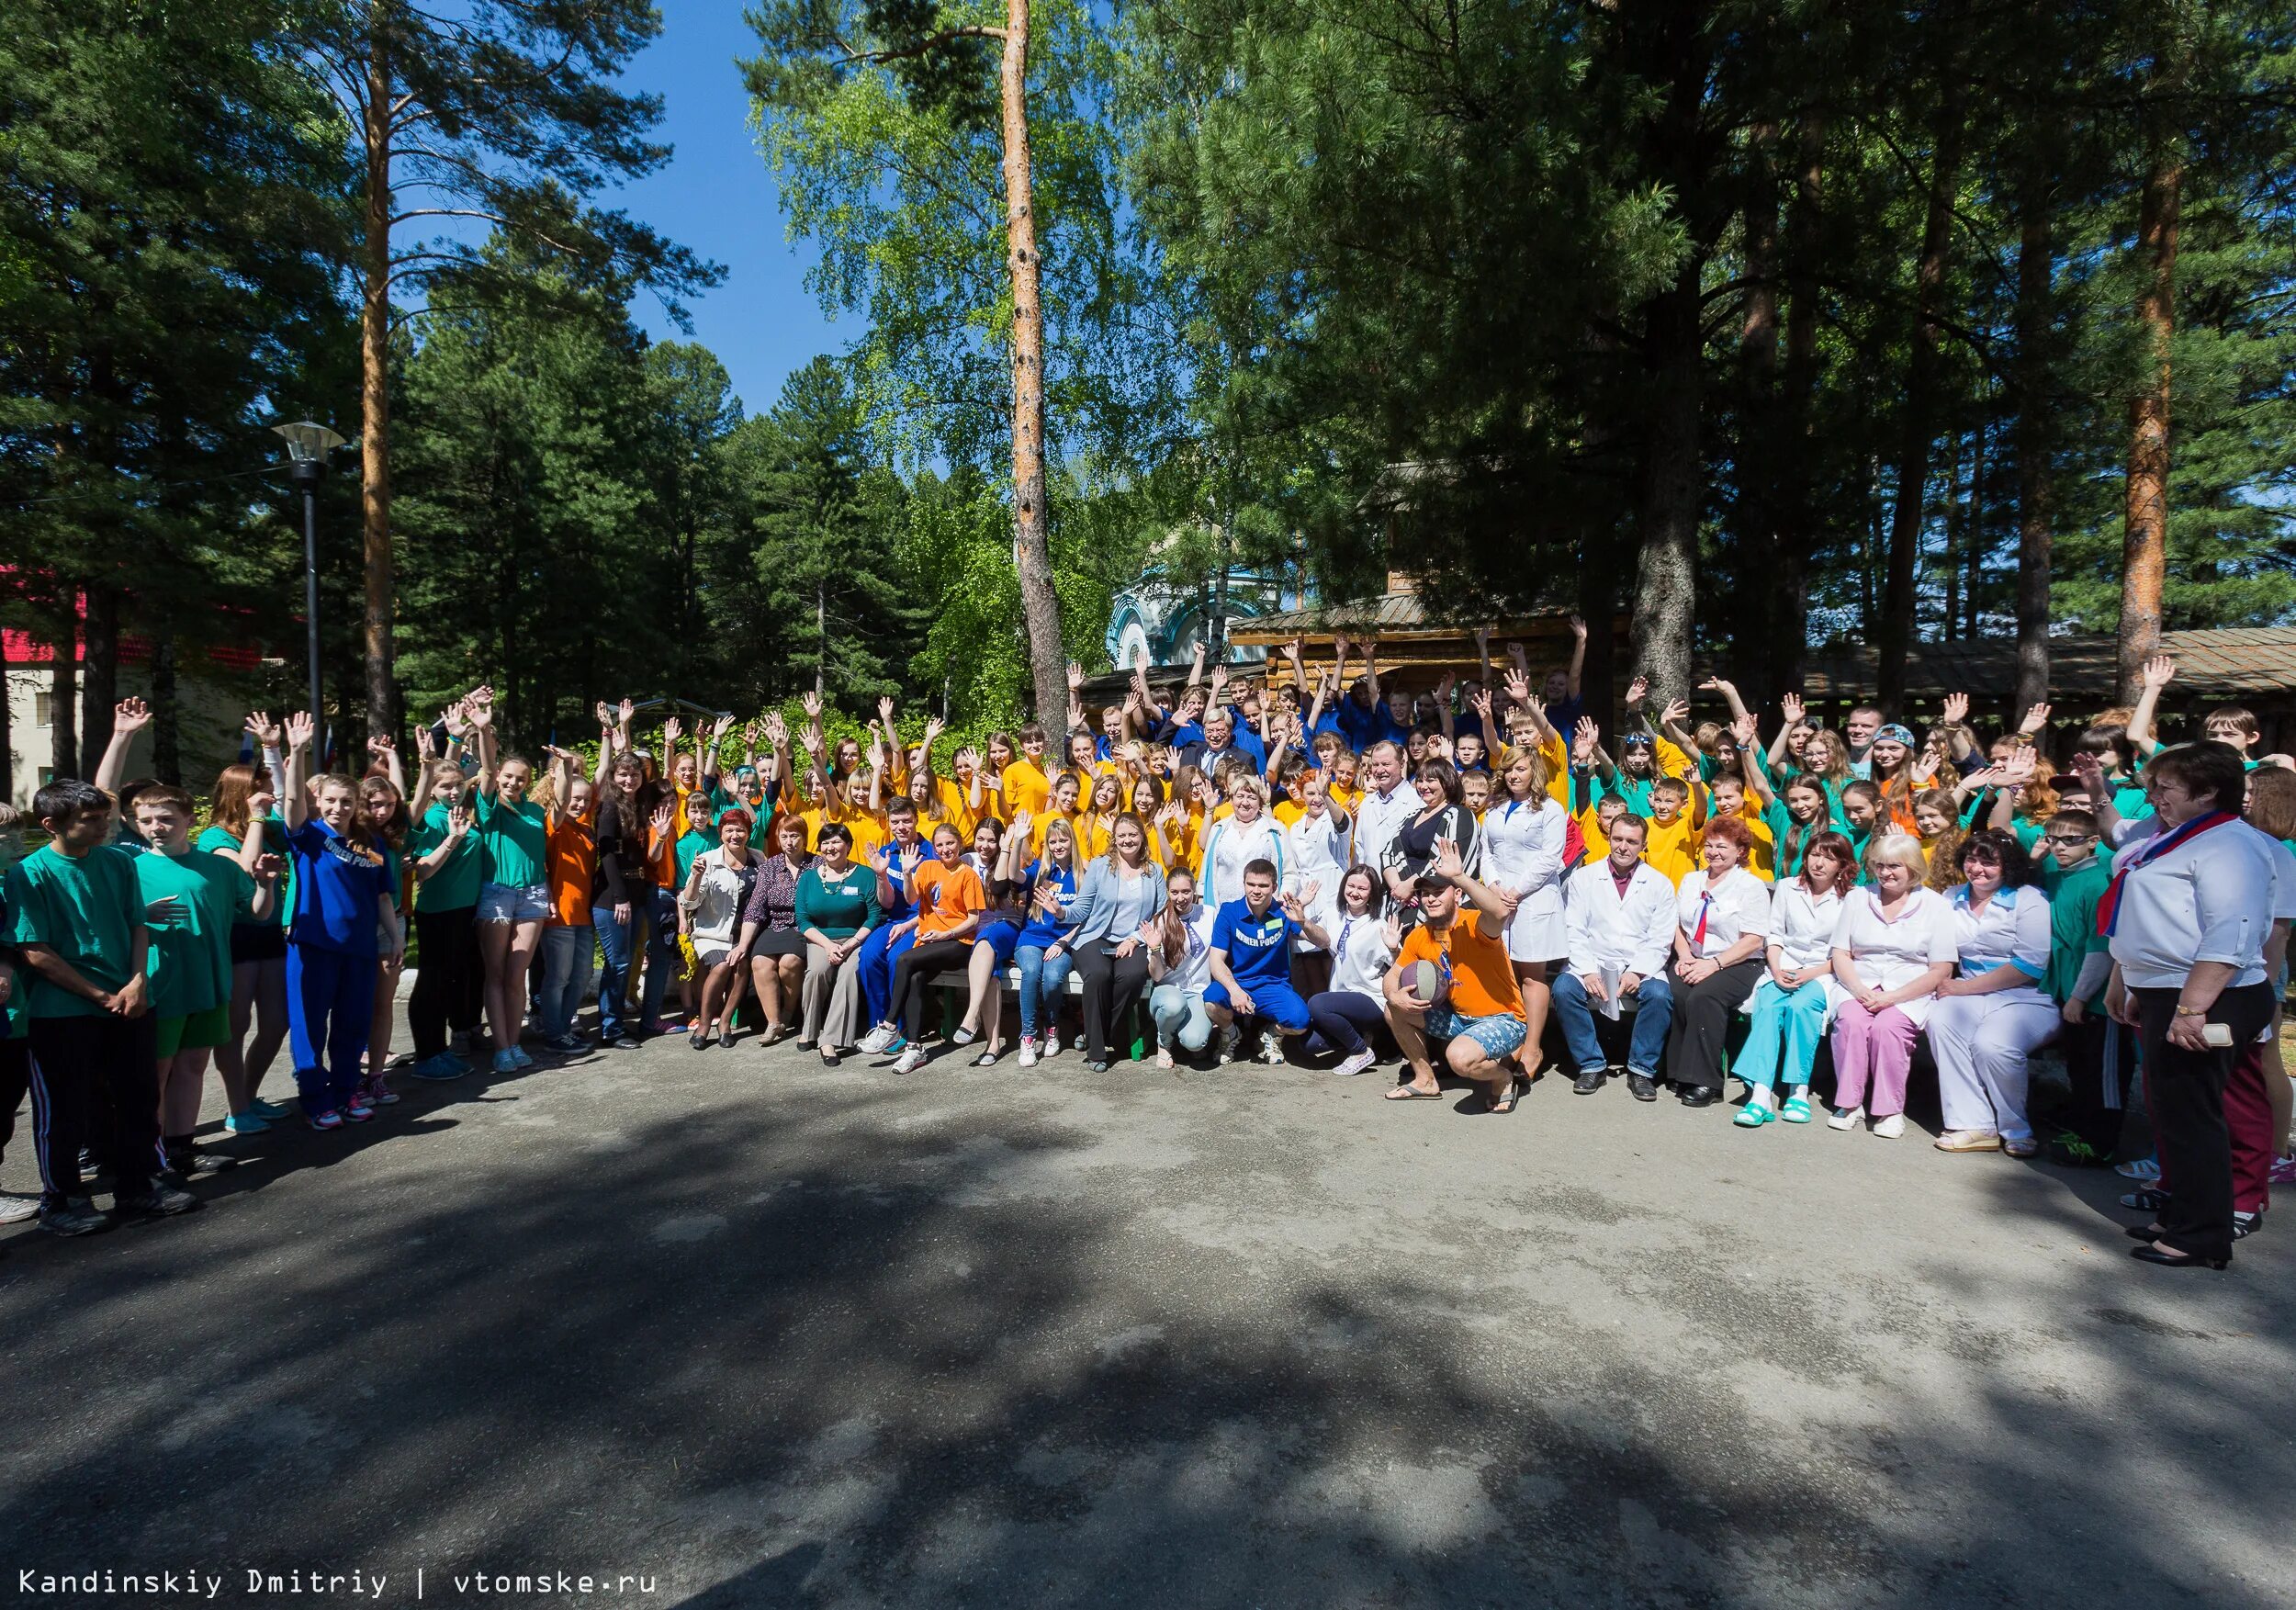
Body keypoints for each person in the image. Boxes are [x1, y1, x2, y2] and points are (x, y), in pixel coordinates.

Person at [2104, 742, 2280, 1267]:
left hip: (2208, 996)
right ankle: (2182, 1214)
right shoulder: (2180, 838)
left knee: (2195, 1116)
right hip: (2170, 990)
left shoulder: (2232, 844)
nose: (2154, 796)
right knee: (2175, 1115)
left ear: (2208, 793)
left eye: (2167, 788)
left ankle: (2203, 1235)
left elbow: (2232, 932)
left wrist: (2190, 1008)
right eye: (2153, 786)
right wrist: (2136, 985)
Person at [5, 779, 197, 1233]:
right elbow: (35, 951)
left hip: (127, 1003)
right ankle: (62, 1199)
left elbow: (137, 924)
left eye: (105, 817)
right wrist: (98, 996)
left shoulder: (117, 862)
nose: (103, 826)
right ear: (53, 825)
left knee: (137, 1098)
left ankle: (136, 1186)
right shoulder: (29, 874)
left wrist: (136, 983)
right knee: (65, 1109)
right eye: (91, 820)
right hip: (63, 1013)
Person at [131, 782, 278, 1179]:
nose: (155, 827)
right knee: (156, 1074)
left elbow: (259, 913)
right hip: (160, 987)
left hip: (209, 982)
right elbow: (107, 922)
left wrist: (266, 883)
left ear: (189, 821)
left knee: (193, 1065)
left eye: (165, 819)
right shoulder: (130, 868)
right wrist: (142, 915)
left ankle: (182, 1147)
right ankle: (151, 1157)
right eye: (145, 821)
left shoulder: (219, 867)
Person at [281, 713, 403, 1130]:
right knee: (310, 1026)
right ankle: (315, 1099)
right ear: (320, 802)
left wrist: (394, 937)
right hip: (313, 945)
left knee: (353, 1023)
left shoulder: (370, 845)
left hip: (359, 948)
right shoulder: (308, 836)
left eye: (346, 802)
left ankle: (346, 1090)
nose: (337, 808)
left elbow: (383, 895)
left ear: (357, 806)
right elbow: (292, 803)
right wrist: (297, 751)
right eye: (330, 801)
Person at [1927, 830, 2056, 1156]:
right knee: (1941, 1022)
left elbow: (2030, 965)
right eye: (1971, 859)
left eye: (1988, 862)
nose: (1977, 868)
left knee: (1993, 1046)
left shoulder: (2030, 899)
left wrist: (1961, 988)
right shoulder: (1950, 896)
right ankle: (1975, 1124)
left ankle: (2016, 1127)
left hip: (2025, 996)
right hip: (1967, 994)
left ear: (2008, 866)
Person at [1382, 838, 1530, 1110]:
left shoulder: (1474, 923)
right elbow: (1393, 975)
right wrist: (1395, 995)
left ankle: (1503, 1077)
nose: (1430, 897)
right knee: (1393, 1009)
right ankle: (1426, 1080)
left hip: (1504, 1020)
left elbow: (1499, 911)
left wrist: (1460, 877)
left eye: (1439, 891)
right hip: (1459, 1019)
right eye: (1425, 893)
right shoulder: (1420, 935)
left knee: (1460, 1058)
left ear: (1457, 895)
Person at [1826, 834, 1955, 1139]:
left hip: (1909, 989)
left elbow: (1941, 968)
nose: (1885, 873)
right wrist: (1857, 990)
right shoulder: (1859, 898)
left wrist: (1893, 998)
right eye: (1880, 865)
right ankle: (1850, 1104)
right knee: (1851, 1022)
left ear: (1913, 867)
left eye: (1894, 866)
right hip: (1860, 982)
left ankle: (1889, 1109)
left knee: (1888, 1028)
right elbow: (1840, 952)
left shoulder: (1936, 905)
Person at [1734, 831, 1856, 1128]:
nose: (1819, 863)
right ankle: (1760, 1094)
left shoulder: (1852, 898)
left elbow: (1847, 950)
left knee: (1803, 1008)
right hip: (1782, 966)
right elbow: (1774, 934)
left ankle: (1797, 1091)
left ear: (1842, 864)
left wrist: (1811, 974)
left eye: (1829, 858)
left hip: (1824, 973)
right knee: (1770, 1004)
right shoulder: (1789, 888)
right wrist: (1776, 970)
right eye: (1815, 855)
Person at [200, 744, 294, 1130]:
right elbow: (244, 869)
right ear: (242, 795)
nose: (269, 797)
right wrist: (256, 818)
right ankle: (236, 1109)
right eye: (262, 791)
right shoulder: (213, 837)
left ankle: (250, 1096)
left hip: (270, 933)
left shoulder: (271, 830)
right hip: (236, 937)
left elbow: (298, 816)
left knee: (277, 1021)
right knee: (235, 1026)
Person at [1551, 815, 1678, 1100]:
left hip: (1640, 965)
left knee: (1659, 996)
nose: (1623, 846)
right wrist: (1586, 971)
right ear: (1609, 838)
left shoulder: (1659, 884)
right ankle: (1591, 1064)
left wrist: (1637, 972)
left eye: (1632, 841)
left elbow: (1660, 939)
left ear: (1643, 845)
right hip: (1591, 961)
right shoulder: (1584, 878)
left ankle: (1642, 1070)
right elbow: (1574, 928)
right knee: (1563, 989)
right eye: (1618, 839)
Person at [464, 695, 548, 1074]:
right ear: (499, 778)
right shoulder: (490, 805)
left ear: (530, 783)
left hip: (533, 895)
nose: (513, 782)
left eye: (521, 779)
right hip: (497, 893)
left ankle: (514, 1044)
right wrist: (483, 730)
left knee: (517, 976)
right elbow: (486, 767)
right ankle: (501, 1047)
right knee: (495, 973)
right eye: (508, 776)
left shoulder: (535, 811)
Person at [1663, 816, 1772, 1109]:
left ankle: (1706, 1081)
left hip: (1738, 962)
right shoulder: (1692, 879)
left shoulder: (1750, 886)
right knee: (1674, 991)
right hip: (1693, 956)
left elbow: (1754, 939)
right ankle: (1678, 1071)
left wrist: (1714, 965)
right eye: (1709, 845)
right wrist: (1684, 955)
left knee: (1705, 995)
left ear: (1740, 851)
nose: (1714, 852)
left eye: (1722, 846)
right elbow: (1676, 924)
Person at [2037, 809, 2125, 1165]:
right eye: (2052, 839)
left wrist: (2079, 997)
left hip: (2097, 1000)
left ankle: (2101, 1142)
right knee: (2079, 1066)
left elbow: (2100, 947)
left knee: (2103, 1073)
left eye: (2070, 840)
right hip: (2069, 990)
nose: (2059, 847)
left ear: (2092, 843)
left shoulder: (2099, 883)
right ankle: (2081, 1127)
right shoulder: (2058, 877)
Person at [1478, 744, 1568, 1074]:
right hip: (1499, 899)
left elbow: (1550, 857)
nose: (1514, 776)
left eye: (1521, 769)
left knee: (1532, 976)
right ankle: (1510, 1042)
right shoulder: (1496, 806)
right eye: (1510, 769)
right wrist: (1494, 886)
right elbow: (1486, 853)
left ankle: (1532, 1049)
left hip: (1534, 900)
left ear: (1535, 772)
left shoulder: (1550, 809)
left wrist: (1516, 890)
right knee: (1505, 975)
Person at [404, 718, 487, 1077]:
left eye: (457, 785)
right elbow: (422, 871)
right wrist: (451, 839)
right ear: (433, 789)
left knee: (458, 977)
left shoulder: (463, 813)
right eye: (445, 786)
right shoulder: (433, 819)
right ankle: (428, 1053)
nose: (453, 791)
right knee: (433, 982)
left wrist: (459, 736)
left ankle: (447, 1044)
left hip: (466, 910)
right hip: (438, 912)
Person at [1063, 814, 1168, 1071]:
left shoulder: (1153, 871)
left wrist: (1135, 938)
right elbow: (1082, 908)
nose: (1127, 840)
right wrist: (1060, 912)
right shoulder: (1100, 867)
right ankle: (1097, 1052)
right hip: (1094, 937)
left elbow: (1161, 914)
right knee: (1099, 975)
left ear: (1142, 837)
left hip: (1134, 940)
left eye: (1133, 835)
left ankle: (1096, 1032)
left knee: (1131, 977)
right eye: (1122, 835)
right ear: (1114, 838)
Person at [886, 824, 988, 1074]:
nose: (945, 849)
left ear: (959, 843)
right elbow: (911, 899)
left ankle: (889, 1026)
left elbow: (974, 919)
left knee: (904, 960)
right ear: (934, 847)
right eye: (940, 845)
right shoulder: (928, 867)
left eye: (950, 843)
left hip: (958, 943)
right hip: (930, 942)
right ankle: (914, 1047)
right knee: (917, 978)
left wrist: (945, 933)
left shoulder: (967, 875)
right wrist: (908, 873)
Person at [535, 737, 606, 1053]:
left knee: (580, 976)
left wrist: (608, 736)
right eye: (575, 799)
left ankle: (564, 1027)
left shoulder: (585, 827)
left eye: (584, 800)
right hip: (559, 915)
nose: (579, 804)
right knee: (558, 978)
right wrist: (564, 767)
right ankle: (554, 1033)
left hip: (582, 915)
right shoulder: (556, 824)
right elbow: (561, 802)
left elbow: (602, 774)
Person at [1205, 858, 1311, 1064]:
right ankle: (1229, 1034)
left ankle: (1271, 1034)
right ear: (1243, 884)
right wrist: (1235, 990)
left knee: (1301, 1022)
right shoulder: (1229, 912)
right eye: (1251, 884)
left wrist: (1303, 921)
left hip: (1273, 986)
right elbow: (1216, 960)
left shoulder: (1283, 912)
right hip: (1238, 983)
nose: (1256, 890)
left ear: (1274, 887)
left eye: (1263, 885)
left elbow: (1323, 941)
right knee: (1210, 1002)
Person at [794, 823, 881, 1064]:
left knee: (849, 974)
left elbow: (874, 914)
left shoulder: (864, 875)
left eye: (836, 842)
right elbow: (802, 919)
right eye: (826, 842)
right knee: (817, 972)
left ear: (848, 845)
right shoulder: (809, 878)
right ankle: (809, 1030)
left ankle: (830, 1039)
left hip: (855, 938)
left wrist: (851, 943)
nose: (830, 847)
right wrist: (828, 946)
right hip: (821, 938)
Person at [1303, 867, 1401, 1078]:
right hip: (1340, 997)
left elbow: (1399, 966)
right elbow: (1301, 933)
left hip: (1369, 999)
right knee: (1311, 1045)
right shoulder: (1332, 914)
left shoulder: (1379, 925)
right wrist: (1300, 907)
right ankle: (1364, 1037)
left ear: (1372, 893)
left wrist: (1394, 948)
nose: (1355, 892)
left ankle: (1360, 1050)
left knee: (1317, 1004)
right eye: (1351, 886)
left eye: (1362, 888)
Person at [678, 806, 762, 1048]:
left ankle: (724, 1023)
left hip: (746, 934)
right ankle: (704, 1024)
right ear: (721, 833)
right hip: (713, 933)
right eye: (729, 830)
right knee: (724, 963)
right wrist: (694, 877)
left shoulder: (758, 859)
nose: (735, 835)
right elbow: (689, 901)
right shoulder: (708, 861)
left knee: (742, 964)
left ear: (748, 833)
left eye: (740, 830)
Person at [733, 816, 814, 1044]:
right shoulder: (771, 866)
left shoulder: (816, 865)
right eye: (784, 836)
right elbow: (755, 909)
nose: (789, 842)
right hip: (775, 925)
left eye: (795, 836)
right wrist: (743, 945)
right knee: (760, 962)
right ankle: (773, 1022)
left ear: (805, 838)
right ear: (778, 839)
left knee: (790, 962)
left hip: (803, 926)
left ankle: (789, 1013)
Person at [1011, 816, 1083, 1066]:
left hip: (1063, 942)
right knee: (1032, 971)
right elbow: (1013, 875)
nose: (1058, 846)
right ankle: (1028, 1037)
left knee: (1052, 978)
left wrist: (1063, 942)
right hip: (1031, 939)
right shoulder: (1040, 870)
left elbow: (1087, 919)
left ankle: (1052, 1027)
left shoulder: (1083, 875)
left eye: (1063, 840)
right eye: (1053, 841)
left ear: (1072, 841)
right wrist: (1018, 841)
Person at [1379, 760, 1478, 921]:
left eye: (1431, 780)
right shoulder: (1412, 816)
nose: (1423, 786)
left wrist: (1411, 886)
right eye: (1420, 780)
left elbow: (1449, 862)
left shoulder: (1459, 815)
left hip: (1437, 909)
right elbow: (1387, 852)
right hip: (1401, 905)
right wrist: (1398, 887)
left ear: (1446, 782)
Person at [1145, 868, 1221, 1066]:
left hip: (1198, 992)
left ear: (1194, 891)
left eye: (1186, 891)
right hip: (1168, 992)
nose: (1181, 898)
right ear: (1168, 893)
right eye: (1175, 892)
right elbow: (1157, 975)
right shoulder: (1160, 920)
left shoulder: (1209, 913)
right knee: (1174, 1006)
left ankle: (1184, 1033)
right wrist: (1154, 949)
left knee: (1195, 1042)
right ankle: (1164, 1042)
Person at [1198, 773, 1286, 909]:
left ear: (1260, 801)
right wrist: (1203, 904)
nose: (1245, 803)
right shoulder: (1218, 829)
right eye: (1240, 797)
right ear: (1231, 800)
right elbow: (1205, 874)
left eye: (1251, 797)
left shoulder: (1275, 830)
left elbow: (1288, 872)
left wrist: (1282, 900)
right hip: (1223, 911)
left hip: (1264, 911)